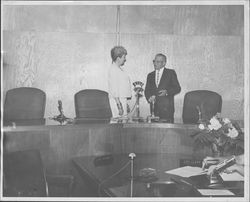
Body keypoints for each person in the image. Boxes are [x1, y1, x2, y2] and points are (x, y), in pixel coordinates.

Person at [145, 53, 181, 123]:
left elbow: (177, 88)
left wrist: (167, 92)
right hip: (154, 110)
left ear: (164, 63)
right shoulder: (150, 75)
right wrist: (149, 98)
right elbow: (147, 90)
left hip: (167, 110)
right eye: (154, 61)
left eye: (158, 62)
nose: (155, 63)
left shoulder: (170, 73)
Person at [108, 46, 132, 119]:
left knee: (122, 123)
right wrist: (119, 106)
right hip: (117, 101)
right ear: (118, 58)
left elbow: (122, 87)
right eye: (124, 57)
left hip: (122, 100)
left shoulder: (119, 69)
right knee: (118, 125)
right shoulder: (113, 70)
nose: (125, 59)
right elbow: (114, 89)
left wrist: (125, 103)